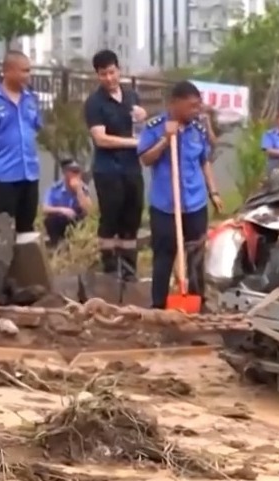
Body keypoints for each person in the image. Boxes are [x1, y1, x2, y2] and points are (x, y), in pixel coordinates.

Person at [137, 81, 223, 310]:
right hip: (165, 206)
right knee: (164, 257)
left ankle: (197, 301)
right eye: (191, 106)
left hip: (194, 204)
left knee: (195, 255)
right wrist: (165, 139)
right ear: (174, 103)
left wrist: (213, 192)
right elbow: (145, 159)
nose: (196, 111)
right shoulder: (155, 126)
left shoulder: (198, 128)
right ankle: (158, 305)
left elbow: (204, 162)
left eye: (198, 106)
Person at [84, 49, 148, 279]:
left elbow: (140, 130)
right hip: (108, 170)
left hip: (132, 168)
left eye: (111, 72)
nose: (109, 78)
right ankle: (110, 269)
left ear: (118, 70)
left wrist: (143, 118)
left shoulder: (132, 96)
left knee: (132, 216)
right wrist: (133, 143)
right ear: (98, 76)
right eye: (103, 74)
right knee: (111, 217)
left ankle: (129, 270)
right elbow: (100, 139)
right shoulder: (94, 103)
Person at [0, 51, 43, 235]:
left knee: (27, 230)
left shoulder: (31, 99)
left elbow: (36, 127)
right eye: (24, 71)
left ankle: (24, 265)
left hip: (29, 174)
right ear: (7, 71)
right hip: (2, 176)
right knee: (3, 231)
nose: (28, 75)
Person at [42, 159, 94, 246]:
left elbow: (89, 210)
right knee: (50, 220)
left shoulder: (83, 188)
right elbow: (45, 208)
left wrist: (78, 190)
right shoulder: (55, 188)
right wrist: (62, 210)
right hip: (60, 220)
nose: (77, 175)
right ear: (65, 173)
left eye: (78, 172)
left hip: (76, 221)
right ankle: (56, 243)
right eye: (74, 171)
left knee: (82, 217)